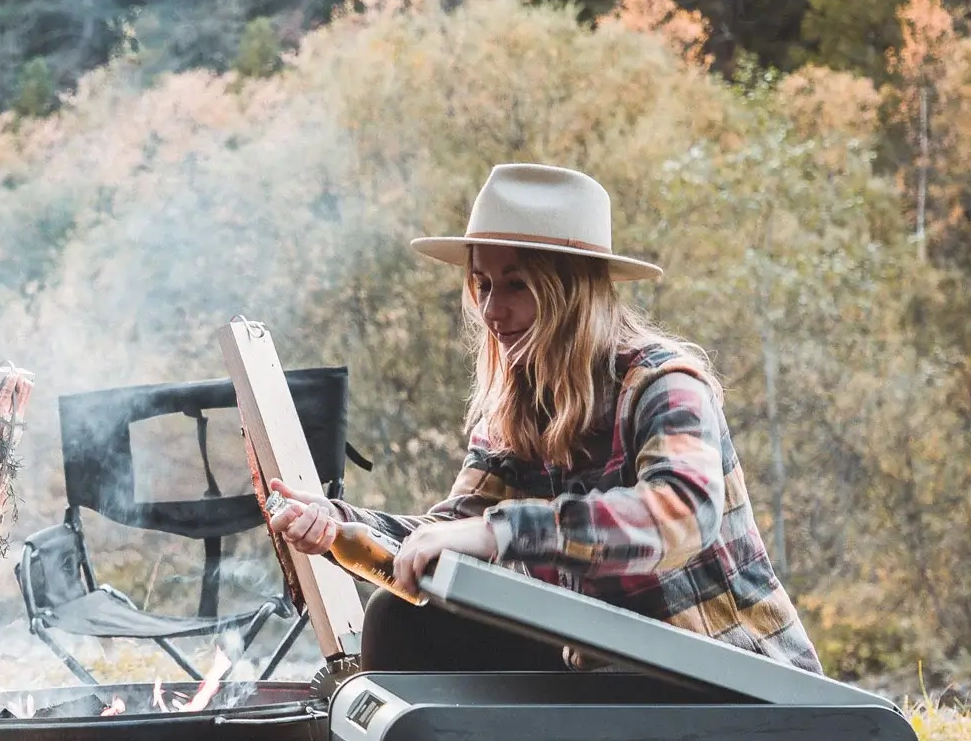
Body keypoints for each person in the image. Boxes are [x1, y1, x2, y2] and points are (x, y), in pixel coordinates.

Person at [268, 163, 823, 675]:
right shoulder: (521, 407)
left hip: (733, 681)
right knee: (402, 618)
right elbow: (447, 533)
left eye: (516, 285)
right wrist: (341, 526)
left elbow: (678, 517)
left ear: (571, 293)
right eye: (483, 284)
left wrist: (496, 533)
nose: (490, 310)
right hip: (614, 671)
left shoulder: (663, 385)